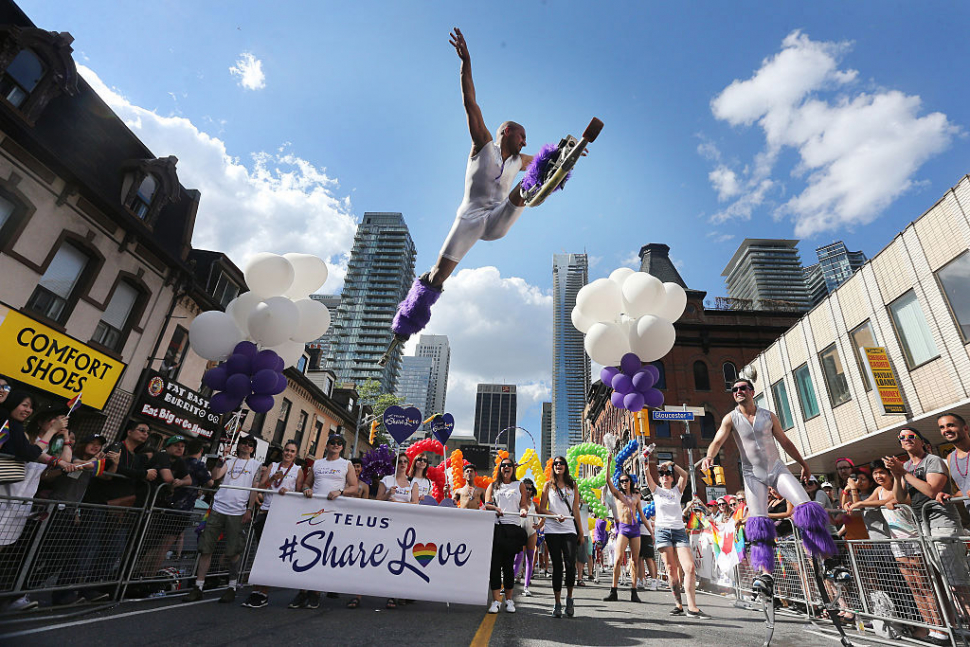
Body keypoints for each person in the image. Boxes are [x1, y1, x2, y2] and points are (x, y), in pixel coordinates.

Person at [388, 27, 545, 347]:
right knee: (437, 276)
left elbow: (546, 157)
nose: (525, 141)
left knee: (530, 182)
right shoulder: (483, 145)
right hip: (470, 219)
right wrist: (466, 62)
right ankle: (407, 320)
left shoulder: (519, 160)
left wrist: (565, 154)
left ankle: (531, 189)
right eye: (521, 136)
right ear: (505, 132)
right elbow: (469, 100)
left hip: (499, 217)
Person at [702, 378, 836, 601]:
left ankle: (827, 558)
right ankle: (766, 575)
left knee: (807, 507)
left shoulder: (767, 415)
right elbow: (717, 440)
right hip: (752, 474)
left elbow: (785, 442)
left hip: (776, 469)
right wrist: (709, 456)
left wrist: (803, 464)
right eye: (734, 390)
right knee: (759, 523)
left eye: (742, 388)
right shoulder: (731, 418)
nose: (738, 392)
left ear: (752, 392)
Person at [886, 426, 970, 633]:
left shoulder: (932, 460)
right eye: (902, 438)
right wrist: (897, 476)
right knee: (939, 580)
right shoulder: (905, 466)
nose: (906, 440)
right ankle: (952, 629)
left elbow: (932, 491)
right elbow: (900, 498)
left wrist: (904, 473)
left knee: (956, 582)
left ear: (922, 441)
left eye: (911, 436)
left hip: (943, 523)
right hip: (923, 526)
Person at [853, 458, 944, 644]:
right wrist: (856, 502)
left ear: (889, 473)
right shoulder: (877, 490)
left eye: (882, 472)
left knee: (925, 586)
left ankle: (940, 629)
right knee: (914, 587)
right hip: (897, 543)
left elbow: (893, 499)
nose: (878, 476)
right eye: (875, 473)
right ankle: (929, 629)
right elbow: (870, 502)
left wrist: (862, 504)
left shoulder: (899, 484)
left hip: (913, 540)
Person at [183, 435, 261, 604]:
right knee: (206, 548)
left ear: (253, 449)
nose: (246, 446)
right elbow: (216, 476)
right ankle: (198, 586)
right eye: (243, 443)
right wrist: (221, 460)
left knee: (233, 551)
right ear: (238, 445)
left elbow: (254, 488)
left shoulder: (256, 465)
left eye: (249, 445)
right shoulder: (229, 461)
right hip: (218, 508)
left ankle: (231, 586)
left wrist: (249, 509)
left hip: (238, 512)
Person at [646, 459, 709, 619]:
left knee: (689, 568)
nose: (665, 476)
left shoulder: (677, 491)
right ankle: (678, 605)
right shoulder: (656, 491)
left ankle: (692, 607)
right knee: (671, 569)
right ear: (659, 479)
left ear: (672, 478)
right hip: (663, 531)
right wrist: (646, 463)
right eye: (662, 475)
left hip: (679, 531)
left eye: (668, 474)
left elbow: (685, 474)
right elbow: (647, 474)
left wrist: (672, 464)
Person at [243, 439, 303, 609]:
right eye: (286, 450)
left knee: (270, 553)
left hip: (282, 515)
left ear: (295, 454)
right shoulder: (273, 466)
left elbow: (299, 494)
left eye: (292, 451)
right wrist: (271, 479)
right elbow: (261, 487)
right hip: (266, 511)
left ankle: (264, 592)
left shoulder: (298, 470)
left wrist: (289, 492)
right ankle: (256, 590)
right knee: (260, 551)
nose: (288, 453)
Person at [540, 455, 584, 618]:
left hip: (569, 529)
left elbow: (576, 510)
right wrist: (554, 514)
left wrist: (580, 532)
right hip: (552, 529)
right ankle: (557, 603)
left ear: (565, 467)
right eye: (556, 464)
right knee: (557, 566)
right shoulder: (548, 486)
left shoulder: (573, 485)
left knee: (570, 564)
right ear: (553, 467)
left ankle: (569, 598)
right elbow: (541, 509)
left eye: (561, 463)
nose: (558, 465)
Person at [484, 457, 529, 614]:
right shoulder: (493, 485)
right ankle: (495, 601)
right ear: (500, 469)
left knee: (508, 567)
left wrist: (523, 510)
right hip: (497, 528)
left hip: (513, 529)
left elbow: (523, 504)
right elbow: (486, 503)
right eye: (503, 465)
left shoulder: (520, 485)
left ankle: (509, 600)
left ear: (513, 468)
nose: (506, 467)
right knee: (495, 566)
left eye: (509, 465)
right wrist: (494, 509)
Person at [603, 455, 646, 603]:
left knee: (635, 560)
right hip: (623, 528)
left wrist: (651, 531)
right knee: (618, 559)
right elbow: (608, 481)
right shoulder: (617, 494)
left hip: (635, 529)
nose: (624, 483)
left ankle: (634, 592)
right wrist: (608, 464)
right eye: (621, 481)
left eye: (626, 480)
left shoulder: (636, 496)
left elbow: (642, 515)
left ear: (630, 481)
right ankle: (613, 590)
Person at [513, 478, 541, 596]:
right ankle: (508, 583)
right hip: (519, 532)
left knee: (530, 558)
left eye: (530, 488)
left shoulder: (535, 504)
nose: (528, 491)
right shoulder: (517, 502)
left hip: (531, 533)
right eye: (526, 488)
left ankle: (526, 586)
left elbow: (543, 514)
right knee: (517, 558)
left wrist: (540, 524)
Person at [937, 412, 970, 511]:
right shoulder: (950, 458)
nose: (946, 430)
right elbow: (964, 491)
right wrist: (951, 497)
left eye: (950, 425)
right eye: (942, 427)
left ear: (965, 428)